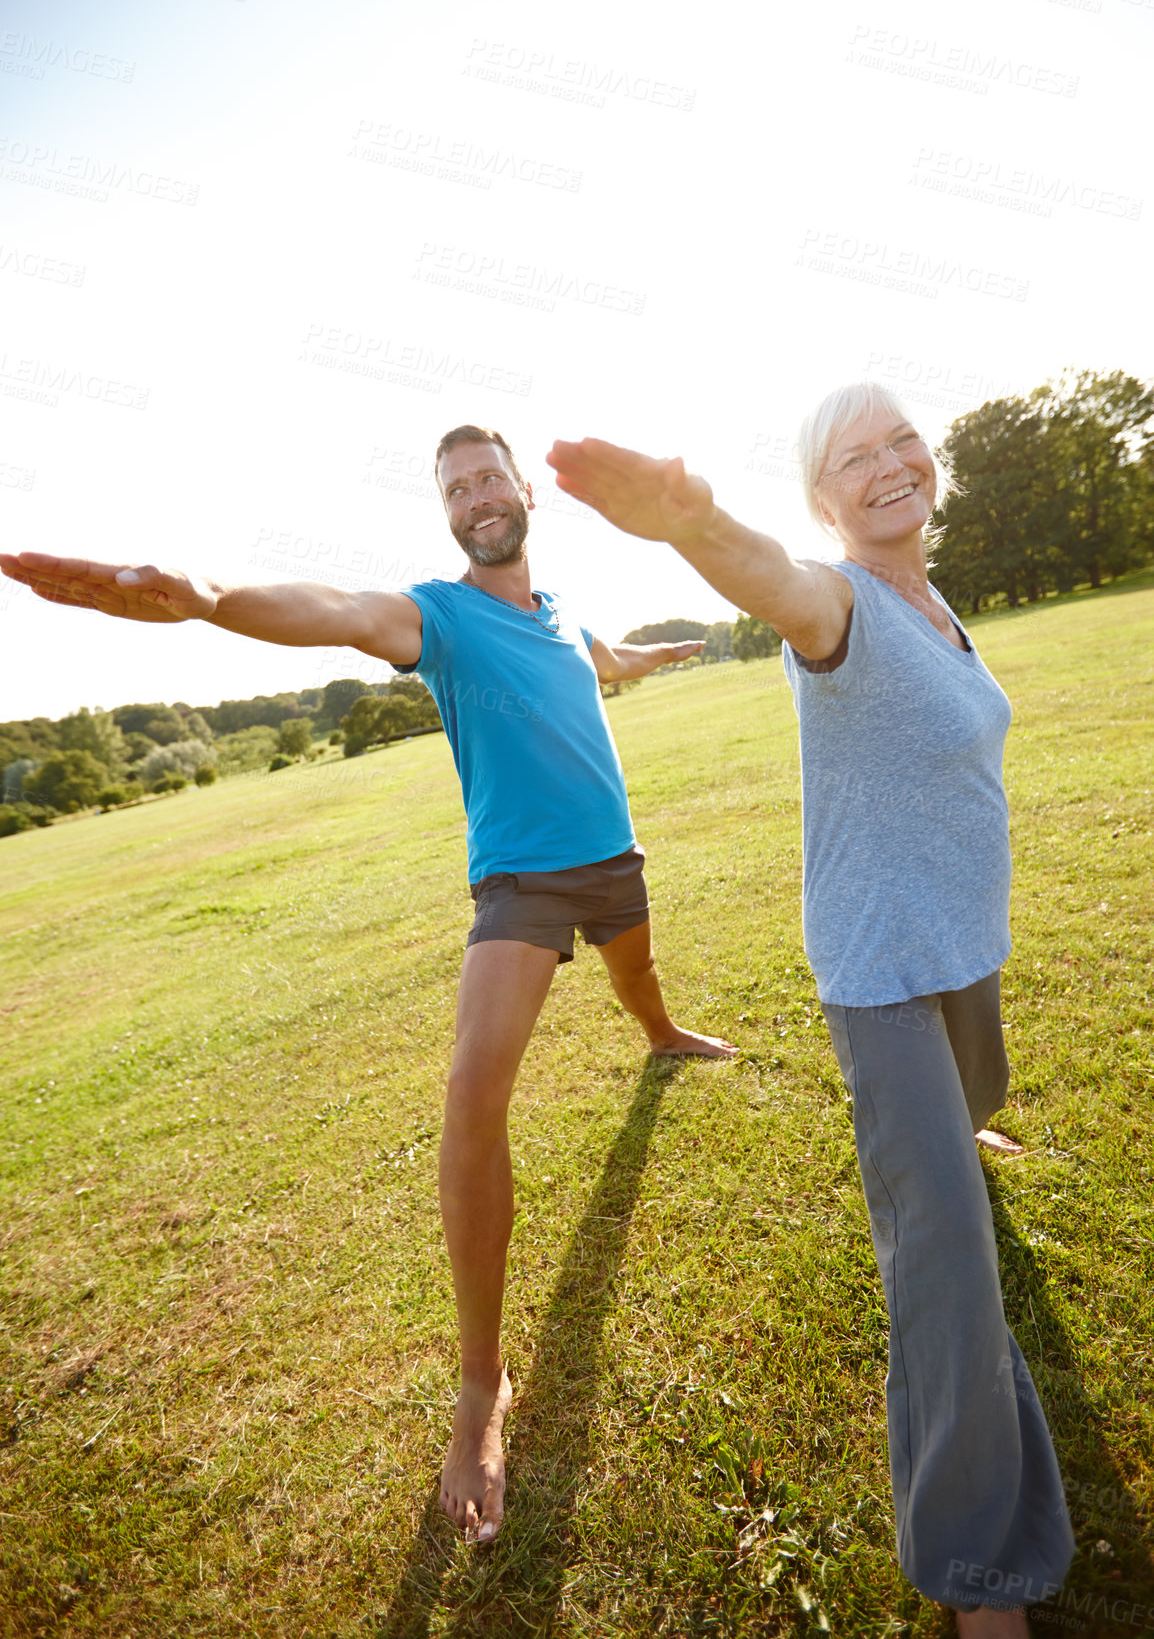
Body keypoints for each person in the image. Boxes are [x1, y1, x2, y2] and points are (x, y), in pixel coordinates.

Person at [0, 424, 734, 1546]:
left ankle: (662, 1033)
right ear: (446, 513)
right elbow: (335, 610)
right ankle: (479, 1385)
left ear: (522, 488)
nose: (478, 496)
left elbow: (597, 655)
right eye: (457, 488)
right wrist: (200, 596)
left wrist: (642, 657)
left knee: (642, 982)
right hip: (524, 884)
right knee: (469, 1094)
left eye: (489, 476)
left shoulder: (556, 612)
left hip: (614, 862)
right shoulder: (434, 614)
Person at [547, 387, 1074, 1639]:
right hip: (884, 972)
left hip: (961, 950)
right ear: (824, 499)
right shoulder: (835, 605)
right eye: (856, 457)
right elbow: (769, 579)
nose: (890, 464)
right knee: (945, 1277)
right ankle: (978, 1573)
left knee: (973, 1110)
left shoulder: (938, 608)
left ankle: (961, 1132)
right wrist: (690, 523)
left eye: (901, 440)